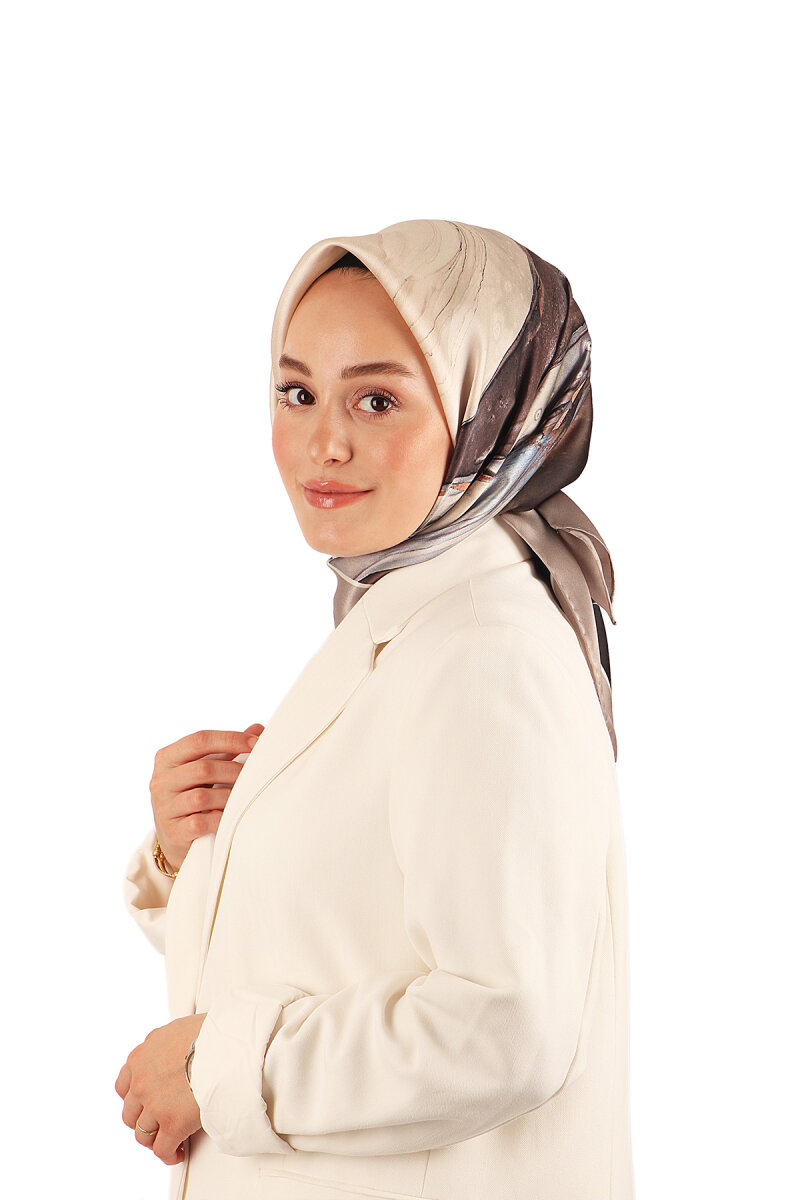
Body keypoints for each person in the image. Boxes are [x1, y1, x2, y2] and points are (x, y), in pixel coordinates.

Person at [116, 218, 635, 1200]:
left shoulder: (483, 650)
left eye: (378, 399)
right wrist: (195, 854)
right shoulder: (410, 610)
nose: (324, 442)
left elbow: (506, 1025)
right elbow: (341, 941)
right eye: (298, 391)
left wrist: (220, 1068)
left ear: (493, 411)